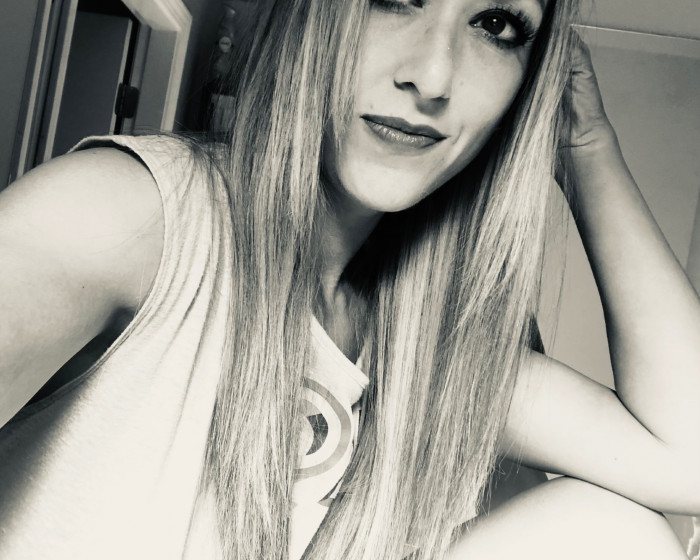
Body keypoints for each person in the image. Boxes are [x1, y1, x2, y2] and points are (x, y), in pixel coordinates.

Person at [0, 0, 698, 559]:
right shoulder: (123, 216)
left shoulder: (433, 346)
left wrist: (585, 145)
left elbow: (686, 462)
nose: (433, 76)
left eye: (495, 24)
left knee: (615, 532)